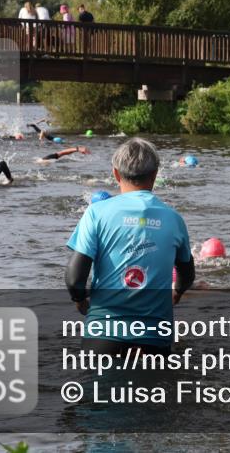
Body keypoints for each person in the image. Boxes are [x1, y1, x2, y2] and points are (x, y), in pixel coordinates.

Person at [65, 138, 195, 353]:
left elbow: (74, 278)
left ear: (116, 174)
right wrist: (177, 292)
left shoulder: (96, 213)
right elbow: (187, 274)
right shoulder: (174, 219)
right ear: (155, 175)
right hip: (155, 337)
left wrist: (79, 299)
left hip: (104, 334)